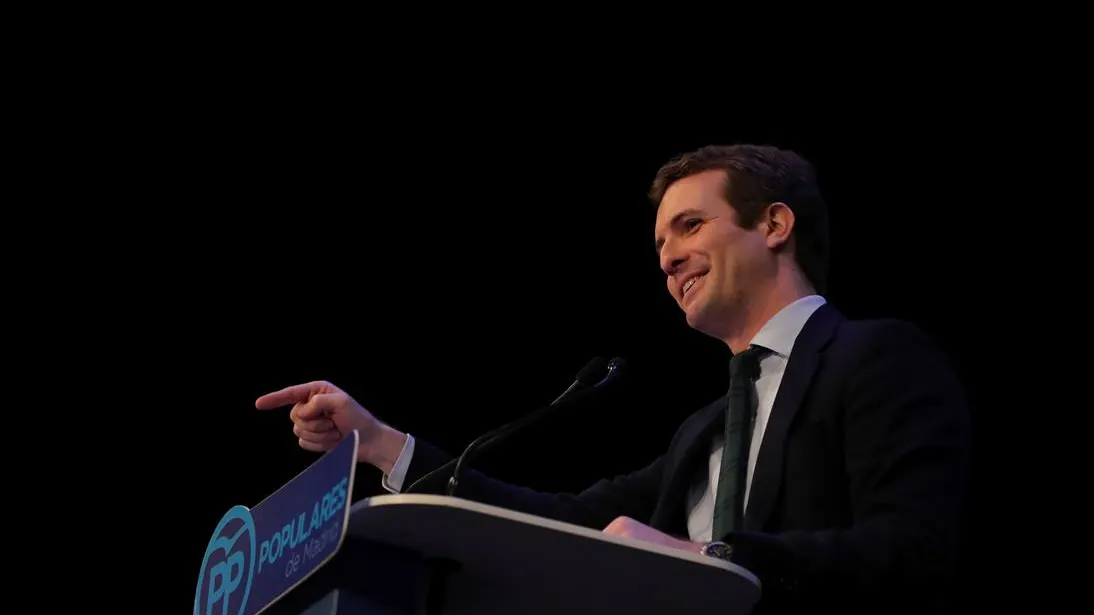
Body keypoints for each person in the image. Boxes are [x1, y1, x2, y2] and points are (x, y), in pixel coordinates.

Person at [255, 144, 972, 614]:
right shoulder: (706, 429)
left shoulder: (875, 356)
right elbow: (563, 521)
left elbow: (914, 548)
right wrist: (381, 443)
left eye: (689, 226)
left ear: (775, 223)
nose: (667, 259)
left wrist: (716, 559)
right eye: (660, 243)